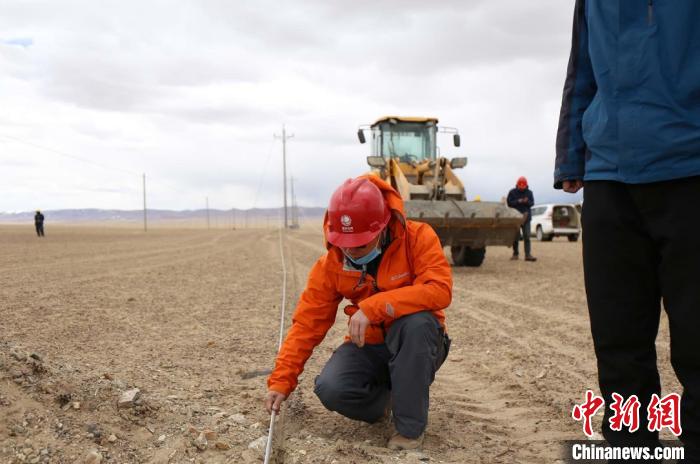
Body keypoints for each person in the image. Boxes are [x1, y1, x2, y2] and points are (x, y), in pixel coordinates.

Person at [555, 1, 700, 461]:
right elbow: (581, 68)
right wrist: (571, 156)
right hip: (609, 177)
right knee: (618, 342)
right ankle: (629, 449)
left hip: (690, 168)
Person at [265, 175, 452, 450]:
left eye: (361, 244)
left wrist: (373, 307)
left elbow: (439, 290)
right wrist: (281, 381)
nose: (351, 251)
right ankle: (388, 400)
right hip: (371, 345)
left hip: (420, 344)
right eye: (344, 243)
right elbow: (307, 323)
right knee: (332, 389)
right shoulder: (332, 264)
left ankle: (409, 431)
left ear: (383, 225)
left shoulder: (418, 238)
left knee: (416, 324)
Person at [506, 177, 536, 261]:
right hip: (515, 218)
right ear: (517, 185)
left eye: (523, 185)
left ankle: (528, 255)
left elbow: (532, 203)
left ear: (526, 185)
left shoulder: (529, 193)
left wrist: (527, 202)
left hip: (526, 217)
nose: (522, 187)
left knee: (527, 236)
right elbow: (509, 203)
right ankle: (515, 254)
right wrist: (518, 201)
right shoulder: (512, 192)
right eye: (520, 185)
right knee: (515, 236)